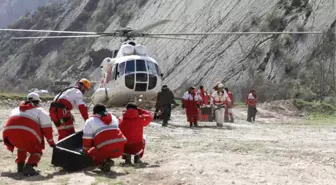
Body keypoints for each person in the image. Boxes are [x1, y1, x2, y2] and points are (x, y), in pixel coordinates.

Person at [2, 93, 55, 176]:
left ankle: (20, 166)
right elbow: (47, 129)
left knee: (21, 146)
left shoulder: (15, 109)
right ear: (38, 102)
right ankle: (29, 167)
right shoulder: (40, 111)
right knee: (37, 151)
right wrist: (51, 142)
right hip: (27, 134)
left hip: (8, 134)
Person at [81, 104, 127, 172]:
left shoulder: (90, 121)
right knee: (105, 143)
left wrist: (85, 152)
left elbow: (87, 140)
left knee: (90, 151)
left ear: (94, 112)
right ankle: (106, 159)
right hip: (119, 150)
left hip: (106, 150)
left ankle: (104, 163)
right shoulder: (113, 117)